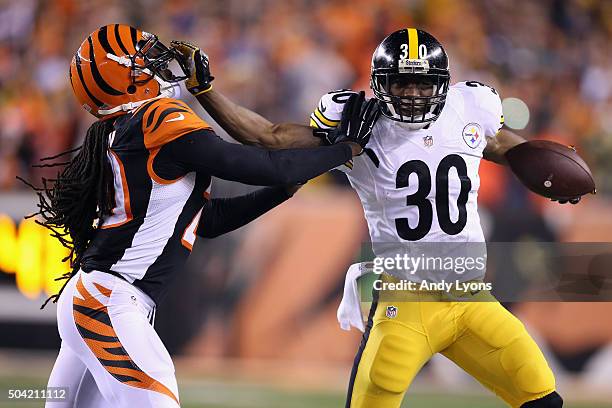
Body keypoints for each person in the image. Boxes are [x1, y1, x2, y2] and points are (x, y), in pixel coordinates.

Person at [170, 28, 585, 407]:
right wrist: (204, 90)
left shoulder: (468, 108)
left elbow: (502, 146)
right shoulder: (358, 123)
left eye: (421, 82)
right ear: (378, 83)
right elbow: (267, 136)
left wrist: (545, 170)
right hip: (406, 305)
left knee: (544, 400)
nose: (410, 92)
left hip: (472, 298)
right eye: (400, 81)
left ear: (440, 85)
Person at [36, 24, 375, 408]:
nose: (155, 62)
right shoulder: (156, 120)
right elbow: (259, 164)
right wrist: (345, 150)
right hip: (109, 301)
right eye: (141, 59)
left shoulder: (125, 129)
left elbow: (207, 220)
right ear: (122, 78)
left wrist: (281, 191)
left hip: (95, 298)